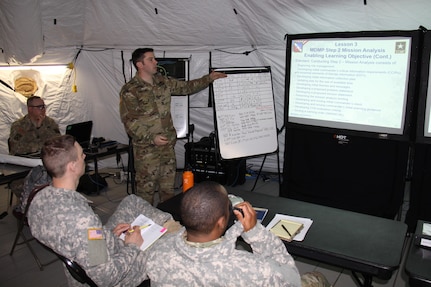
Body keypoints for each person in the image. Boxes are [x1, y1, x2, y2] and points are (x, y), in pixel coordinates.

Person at [27, 135, 181, 287]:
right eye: (81, 155)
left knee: (131, 201)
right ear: (72, 166)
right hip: (117, 273)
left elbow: (85, 239)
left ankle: (169, 224)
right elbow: (105, 278)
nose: (85, 156)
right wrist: (133, 246)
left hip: (93, 249)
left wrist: (106, 236)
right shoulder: (85, 222)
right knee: (167, 244)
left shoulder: (39, 198)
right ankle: (174, 232)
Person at [145, 181, 331, 287]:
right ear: (221, 222)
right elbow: (291, 278)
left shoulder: (157, 252)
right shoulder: (253, 269)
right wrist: (255, 233)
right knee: (315, 279)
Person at [119, 48, 227, 205]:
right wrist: (152, 138)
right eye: (151, 59)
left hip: (167, 146)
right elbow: (130, 122)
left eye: (154, 58)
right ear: (140, 64)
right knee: (145, 192)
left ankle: (167, 222)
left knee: (168, 190)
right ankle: (143, 225)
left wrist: (208, 78)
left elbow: (187, 87)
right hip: (146, 151)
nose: (156, 62)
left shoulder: (163, 82)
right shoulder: (130, 90)